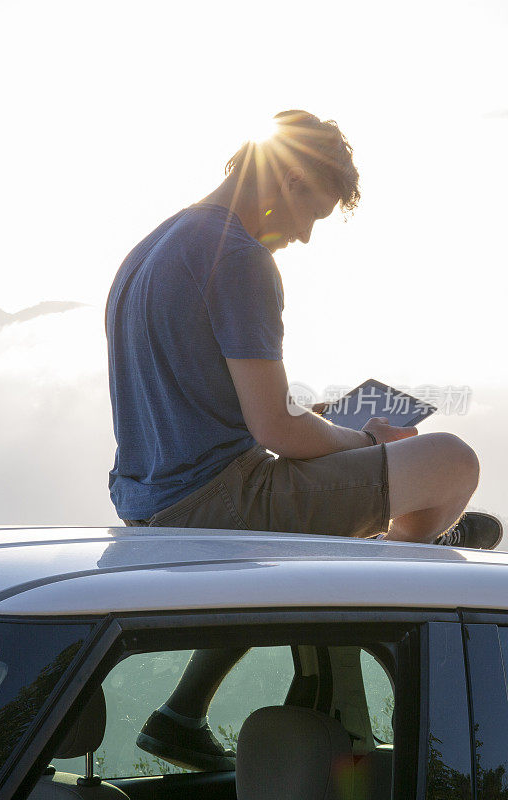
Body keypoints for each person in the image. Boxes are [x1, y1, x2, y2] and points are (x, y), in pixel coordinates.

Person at [104, 110, 502, 771]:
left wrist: (332, 429)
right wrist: (364, 439)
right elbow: (278, 433)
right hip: (219, 498)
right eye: (309, 211)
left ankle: (183, 712)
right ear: (282, 179)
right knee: (451, 462)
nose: (306, 236)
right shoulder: (240, 257)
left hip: (150, 497)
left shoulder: (157, 244)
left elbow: (219, 406)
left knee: (315, 512)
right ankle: (412, 578)